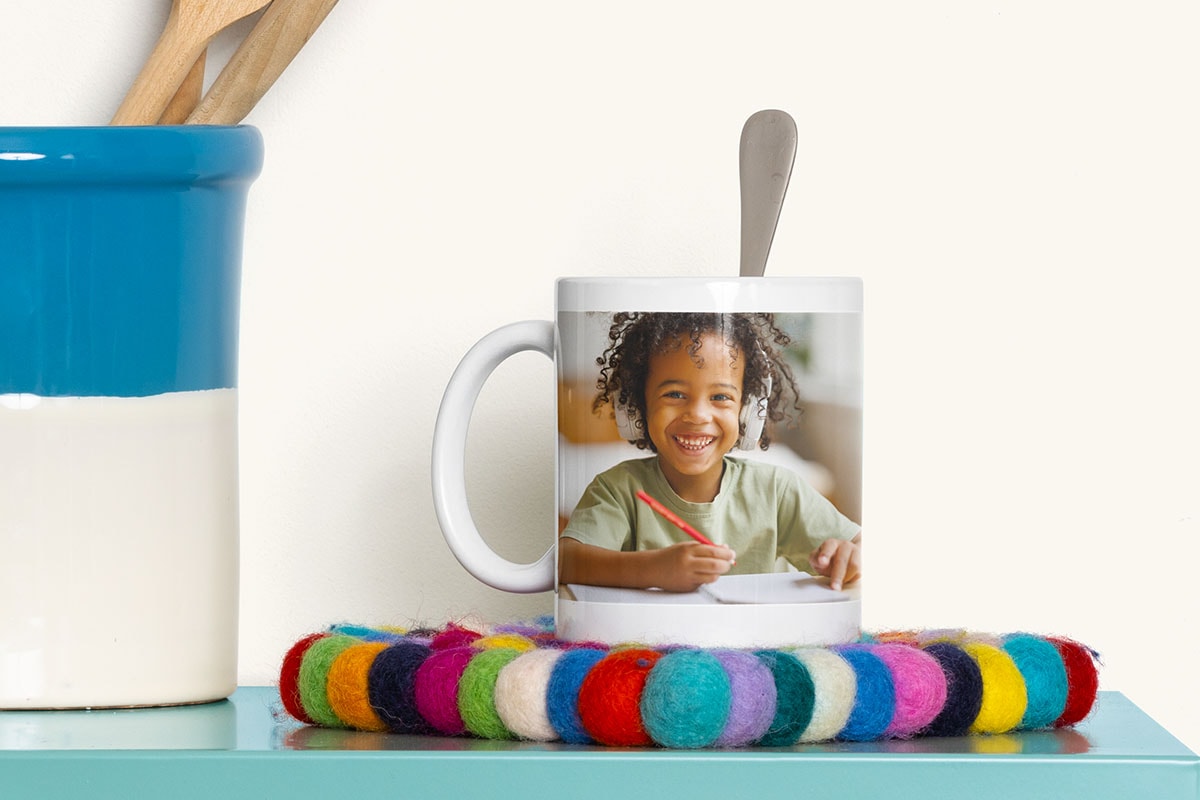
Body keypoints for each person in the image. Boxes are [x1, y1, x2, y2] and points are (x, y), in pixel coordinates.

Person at [558, 311, 861, 593]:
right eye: (674, 394)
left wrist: (850, 557)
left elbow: (860, 547)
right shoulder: (618, 490)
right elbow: (566, 562)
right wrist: (653, 570)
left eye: (720, 396)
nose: (699, 415)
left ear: (747, 413)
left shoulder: (777, 490)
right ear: (637, 405)